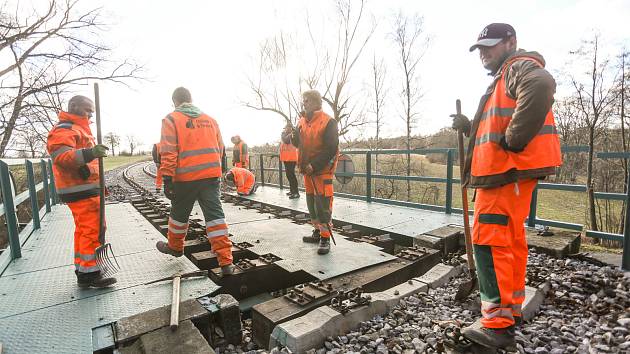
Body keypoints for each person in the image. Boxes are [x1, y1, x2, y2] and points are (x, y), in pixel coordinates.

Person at [451, 23, 562, 350]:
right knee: (509, 242)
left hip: (504, 174)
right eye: (480, 48)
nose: (483, 52)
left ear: (510, 42)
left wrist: (514, 140)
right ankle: (508, 312)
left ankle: (497, 326)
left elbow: (541, 85)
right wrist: (470, 126)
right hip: (505, 177)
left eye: (490, 45)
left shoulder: (518, 67)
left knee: (489, 241)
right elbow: (494, 128)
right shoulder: (503, 78)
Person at [156, 87, 234, 276]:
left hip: (185, 178)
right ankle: (226, 262)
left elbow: (168, 151)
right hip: (210, 177)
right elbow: (221, 149)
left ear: (175, 102)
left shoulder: (171, 119)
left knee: (179, 214)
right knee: (215, 217)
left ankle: (175, 247)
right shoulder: (210, 120)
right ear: (191, 99)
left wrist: (167, 178)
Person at [47, 95, 116, 288]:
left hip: (84, 189)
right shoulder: (65, 129)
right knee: (91, 230)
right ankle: (90, 274)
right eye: (87, 109)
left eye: (92, 111)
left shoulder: (79, 129)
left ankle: (83, 269)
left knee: (84, 230)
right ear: (74, 106)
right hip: (80, 190)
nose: (91, 114)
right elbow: (61, 157)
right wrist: (90, 153)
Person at [290, 90, 339, 255]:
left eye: (307, 101)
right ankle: (317, 232)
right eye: (303, 101)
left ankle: (325, 238)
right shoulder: (302, 121)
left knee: (323, 205)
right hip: (307, 171)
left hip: (322, 171)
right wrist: (294, 137)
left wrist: (315, 165)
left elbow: (331, 149)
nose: (304, 103)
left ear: (317, 103)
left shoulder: (328, 122)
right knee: (312, 204)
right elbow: (299, 144)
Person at [280, 124, 300, 199]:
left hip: (292, 158)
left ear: (291, 128)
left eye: (288, 128)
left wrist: (292, 133)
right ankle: (292, 191)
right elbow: (285, 140)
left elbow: (287, 141)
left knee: (291, 175)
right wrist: (290, 134)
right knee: (289, 175)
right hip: (286, 158)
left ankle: (296, 192)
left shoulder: (293, 134)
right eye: (285, 128)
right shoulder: (284, 134)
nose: (286, 129)